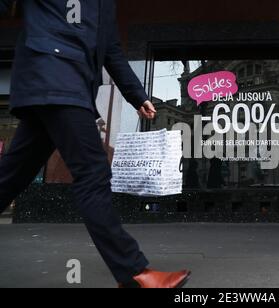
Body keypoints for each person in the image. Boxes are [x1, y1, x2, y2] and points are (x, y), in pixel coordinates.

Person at [0, 0, 190, 288]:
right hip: (53, 78)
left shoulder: (104, 5)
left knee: (10, 177)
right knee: (93, 174)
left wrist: (137, 96)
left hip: (68, 89)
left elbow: (111, 50)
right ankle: (135, 273)